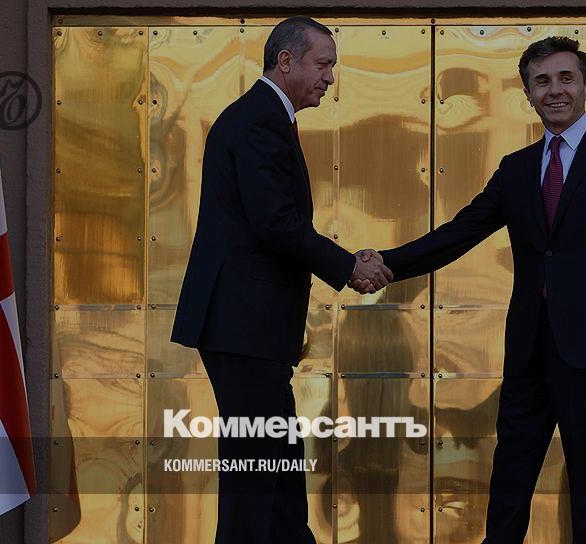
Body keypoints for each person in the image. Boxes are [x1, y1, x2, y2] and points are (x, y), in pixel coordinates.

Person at [369, 36, 586, 543]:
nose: (555, 91)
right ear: (528, 93)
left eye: (566, 78)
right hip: (528, 346)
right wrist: (386, 264)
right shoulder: (517, 168)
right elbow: (460, 233)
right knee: (511, 473)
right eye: (541, 82)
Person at [170, 16, 392, 543]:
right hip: (242, 325)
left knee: (279, 460)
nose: (330, 78)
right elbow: (276, 222)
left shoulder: (265, 116)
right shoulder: (259, 121)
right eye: (323, 64)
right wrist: (348, 267)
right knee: (254, 466)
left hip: (251, 327)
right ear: (286, 61)